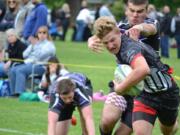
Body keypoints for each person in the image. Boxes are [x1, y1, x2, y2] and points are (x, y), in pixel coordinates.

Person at [93, 16, 179, 135]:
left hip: (167, 93)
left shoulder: (128, 48)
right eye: (106, 43)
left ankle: (174, 125)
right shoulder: (119, 35)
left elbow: (143, 69)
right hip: (144, 94)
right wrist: (92, 40)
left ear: (119, 33)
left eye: (112, 40)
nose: (110, 45)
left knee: (168, 131)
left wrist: (120, 89)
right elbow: (103, 32)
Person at [88, 0, 161, 134]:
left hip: (143, 92)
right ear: (126, 10)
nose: (135, 15)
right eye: (132, 10)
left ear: (146, 11)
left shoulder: (152, 23)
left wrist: (139, 28)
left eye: (140, 11)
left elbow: (149, 28)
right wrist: (91, 40)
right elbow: (102, 33)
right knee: (107, 121)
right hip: (121, 82)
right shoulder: (121, 26)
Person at [9, 26, 56, 96]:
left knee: (20, 70)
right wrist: (32, 46)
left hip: (41, 66)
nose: (42, 34)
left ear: (47, 34)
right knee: (13, 69)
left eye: (44, 33)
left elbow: (40, 57)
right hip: (30, 64)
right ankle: (13, 93)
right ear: (37, 34)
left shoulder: (50, 45)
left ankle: (20, 93)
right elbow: (24, 55)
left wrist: (35, 46)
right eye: (40, 33)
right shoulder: (36, 43)